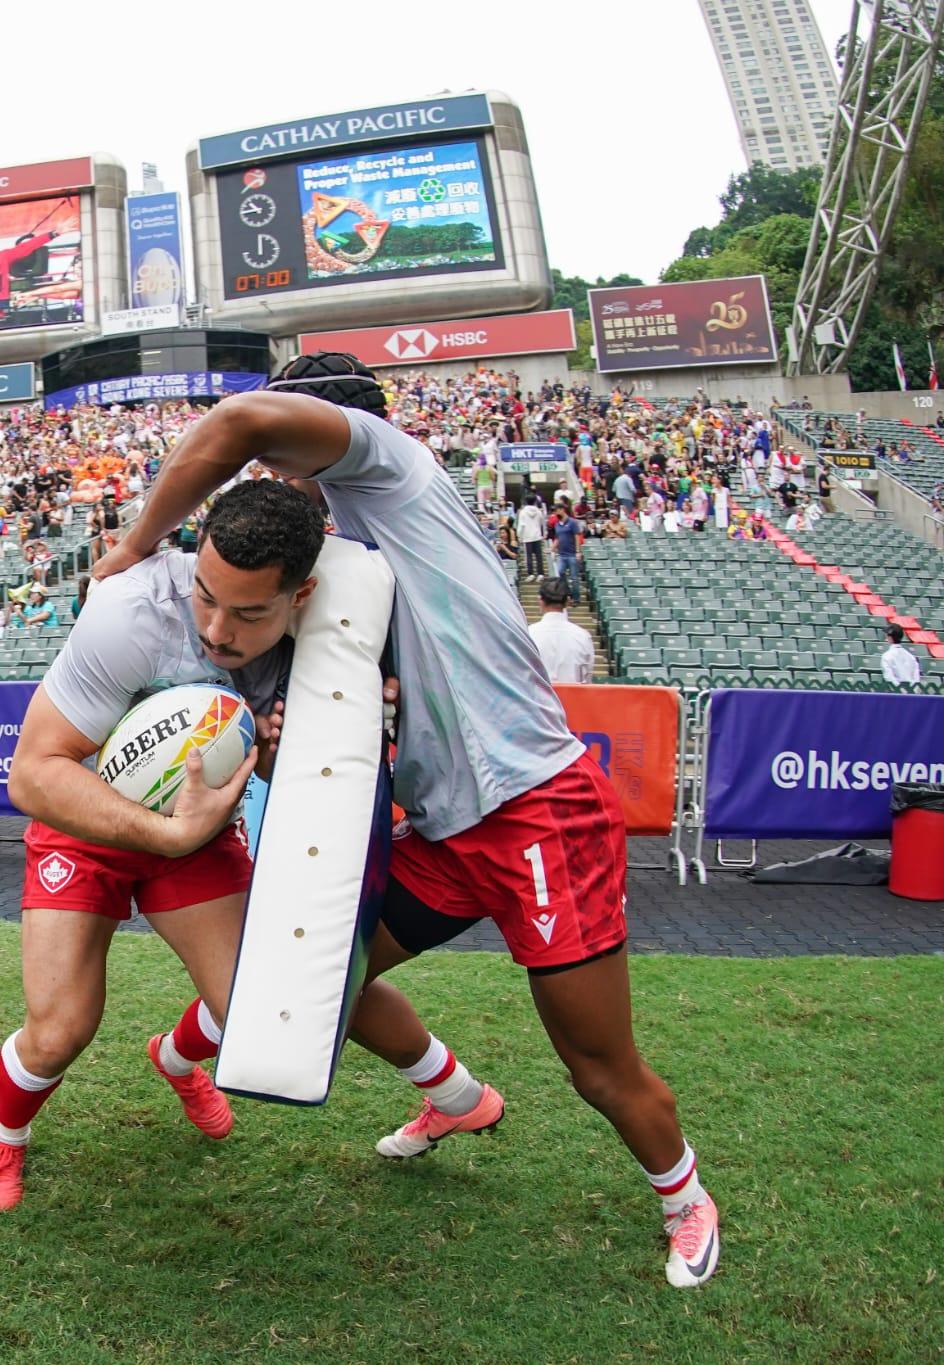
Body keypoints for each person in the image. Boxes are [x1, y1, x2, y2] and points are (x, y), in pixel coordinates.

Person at [96, 351, 721, 1289]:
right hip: (446, 830)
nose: (267, 483)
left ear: (323, 435)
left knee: (598, 1065)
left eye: (280, 465)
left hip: (535, 813)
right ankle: (446, 1095)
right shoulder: (340, 563)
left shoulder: (390, 466)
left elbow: (235, 425)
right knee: (306, 979)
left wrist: (135, 543)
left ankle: (685, 1200)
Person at [0, 479, 319, 1213]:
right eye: (205, 596)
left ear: (302, 596)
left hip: (193, 836)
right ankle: (7, 1136)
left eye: (250, 611)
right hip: (87, 823)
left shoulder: (331, 635)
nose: (219, 629)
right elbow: (32, 773)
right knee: (60, 1029)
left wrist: (275, 744)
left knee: (255, 1009)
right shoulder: (130, 610)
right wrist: (167, 830)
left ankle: (175, 1056)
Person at [529, 578, 594, 684]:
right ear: (568, 601)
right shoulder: (582, 636)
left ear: (540, 600)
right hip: (572, 698)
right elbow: (586, 678)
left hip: (538, 698)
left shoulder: (529, 634)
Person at [552, 507, 585, 603]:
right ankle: (568, 592)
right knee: (560, 572)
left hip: (572, 554)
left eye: (557, 510)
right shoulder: (557, 524)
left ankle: (576, 598)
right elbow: (557, 538)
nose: (555, 513)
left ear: (562, 510)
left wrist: (578, 551)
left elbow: (577, 537)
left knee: (574, 577)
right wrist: (552, 548)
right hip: (562, 554)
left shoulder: (572, 522)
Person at [516, 496, 546, 579]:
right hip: (537, 535)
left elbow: (521, 525)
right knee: (539, 556)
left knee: (528, 556)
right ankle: (540, 573)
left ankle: (531, 573)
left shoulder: (523, 512)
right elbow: (541, 523)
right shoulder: (539, 512)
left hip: (527, 536)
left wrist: (519, 536)